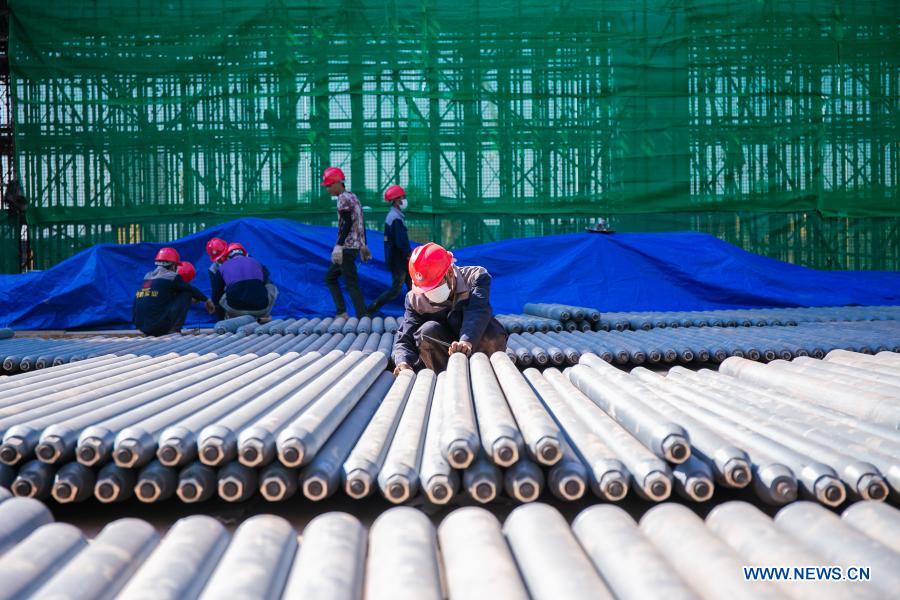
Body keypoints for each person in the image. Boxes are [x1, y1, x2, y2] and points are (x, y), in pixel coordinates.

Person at [392, 242, 508, 373]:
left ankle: (489, 375)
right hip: (444, 349)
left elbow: (477, 311)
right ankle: (446, 377)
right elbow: (405, 338)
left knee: (492, 333)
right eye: (427, 289)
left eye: (435, 286)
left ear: (451, 273)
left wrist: (466, 341)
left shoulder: (475, 277)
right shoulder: (415, 299)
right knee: (426, 332)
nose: (430, 293)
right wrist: (403, 361)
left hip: (474, 340)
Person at [321, 166, 371, 319]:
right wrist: (363, 245)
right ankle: (343, 312)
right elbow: (360, 223)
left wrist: (339, 245)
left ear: (338, 183)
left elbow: (347, 223)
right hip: (353, 246)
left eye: (330, 185)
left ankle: (361, 315)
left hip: (347, 248)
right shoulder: (353, 197)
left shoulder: (342, 198)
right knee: (332, 277)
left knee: (351, 282)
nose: (328, 189)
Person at [133, 247, 215, 336]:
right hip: (158, 327)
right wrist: (207, 300)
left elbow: (158, 298)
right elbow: (191, 289)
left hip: (142, 327)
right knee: (187, 293)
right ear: (173, 265)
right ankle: (174, 330)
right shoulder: (172, 277)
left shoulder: (147, 277)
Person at [367, 184, 412, 315]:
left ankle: (415, 312)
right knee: (396, 289)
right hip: (399, 260)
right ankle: (371, 308)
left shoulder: (395, 216)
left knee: (411, 286)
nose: (404, 200)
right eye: (403, 197)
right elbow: (400, 241)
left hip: (400, 258)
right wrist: (408, 254)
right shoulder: (395, 217)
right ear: (396, 200)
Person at [211, 242, 278, 321]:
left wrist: (218, 312)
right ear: (246, 254)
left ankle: (229, 317)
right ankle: (265, 315)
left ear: (227, 257)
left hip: (235, 310)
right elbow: (265, 281)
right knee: (271, 287)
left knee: (222, 292)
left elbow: (216, 295)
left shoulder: (222, 267)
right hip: (260, 309)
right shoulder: (257, 263)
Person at [205, 237, 229, 320]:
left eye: (223, 256)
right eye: (219, 259)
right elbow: (216, 292)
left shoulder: (238, 258)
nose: (222, 259)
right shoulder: (213, 269)